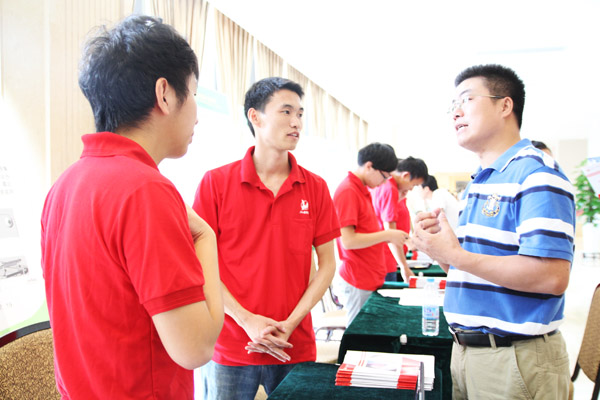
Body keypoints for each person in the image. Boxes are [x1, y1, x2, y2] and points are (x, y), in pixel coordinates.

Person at [40, 15, 223, 399]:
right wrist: (206, 237)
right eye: (193, 93)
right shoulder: (146, 190)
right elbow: (196, 347)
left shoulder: (63, 186)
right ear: (165, 94)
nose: (197, 113)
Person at [412, 64, 575, 399]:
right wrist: (440, 250)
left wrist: (456, 255)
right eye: (453, 105)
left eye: (467, 100)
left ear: (505, 105)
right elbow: (473, 272)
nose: (456, 112)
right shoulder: (481, 180)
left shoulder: (536, 174)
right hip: (467, 352)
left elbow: (551, 277)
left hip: (514, 358)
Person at [193, 77, 340, 399]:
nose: (296, 122)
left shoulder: (315, 188)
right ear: (255, 117)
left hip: (294, 343)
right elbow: (201, 266)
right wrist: (246, 320)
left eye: (300, 114)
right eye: (286, 112)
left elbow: (328, 264)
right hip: (232, 343)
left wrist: (290, 323)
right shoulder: (215, 183)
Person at [333, 143, 409, 324]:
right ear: (369, 166)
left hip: (368, 276)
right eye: (384, 176)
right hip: (358, 278)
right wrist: (387, 235)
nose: (385, 182)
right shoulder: (348, 191)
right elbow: (348, 241)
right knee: (359, 333)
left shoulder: (361, 189)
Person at [371, 156, 428, 281]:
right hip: (384, 258)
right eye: (414, 184)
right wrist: (404, 266)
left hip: (388, 257)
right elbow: (390, 232)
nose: (411, 189)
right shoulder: (389, 188)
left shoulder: (396, 189)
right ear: (406, 175)